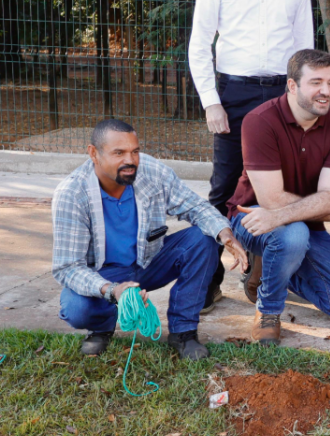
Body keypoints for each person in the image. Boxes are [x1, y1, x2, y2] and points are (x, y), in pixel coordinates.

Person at [189, 0, 312, 314]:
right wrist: (211, 102)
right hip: (233, 93)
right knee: (223, 189)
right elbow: (200, 43)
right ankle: (205, 284)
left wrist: (302, 103)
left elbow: (303, 49)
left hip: (282, 94)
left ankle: (259, 279)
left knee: (274, 187)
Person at [52, 119, 248, 359]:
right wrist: (113, 290)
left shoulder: (152, 172)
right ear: (94, 153)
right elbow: (68, 268)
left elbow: (195, 206)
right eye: (119, 153)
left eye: (135, 151)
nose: (130, 160)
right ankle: (101, 328)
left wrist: (225, 233)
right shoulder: (72, 193)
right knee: (77, 308)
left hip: (150, 262)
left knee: (204, 238)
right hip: (106, 275)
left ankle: (183, 332)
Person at [228, 49, 330, 345]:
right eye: (316, 82)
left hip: (298, 223)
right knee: (292, 235)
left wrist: (326, 209)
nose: (326, 91)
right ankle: (268, 311)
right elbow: (271, 199)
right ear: (292, 85)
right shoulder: (259, 121)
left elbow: (329, 197)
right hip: (251, 217)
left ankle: (269, 268)